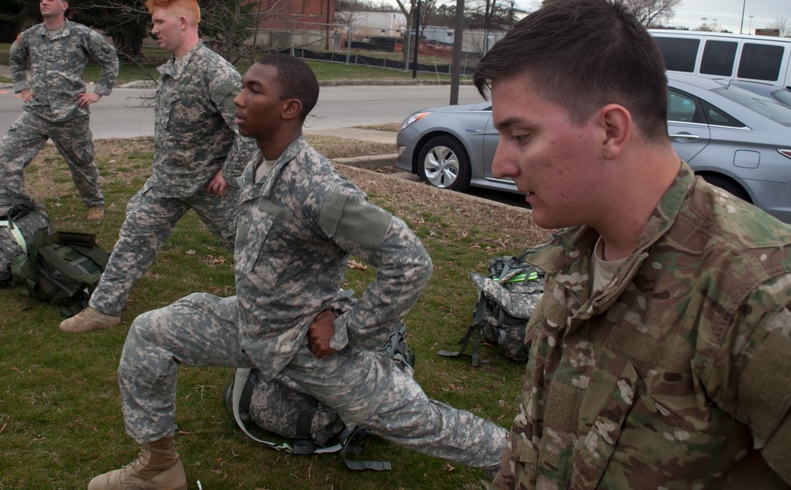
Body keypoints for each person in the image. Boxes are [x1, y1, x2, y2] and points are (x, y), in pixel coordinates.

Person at [85, 54, 508, 489]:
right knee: (151, 334)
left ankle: (519, 463)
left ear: (289, 108)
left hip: (306, 347)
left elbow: (410, 261)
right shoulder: (259, 162)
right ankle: (158, 469)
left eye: (254, 90)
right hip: (250, 326)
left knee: (416, 421)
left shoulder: (319, 189)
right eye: (241, 86)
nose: (239, 98)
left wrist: (349, 330)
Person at [471, 0, 791, 489]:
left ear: (610, 130)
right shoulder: (575, 259)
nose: (500, 166)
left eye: (520, 135)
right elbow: (530, 445)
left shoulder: (772, 296)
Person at [60, 0, 254, 333]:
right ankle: (104, 309)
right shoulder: (174, 67)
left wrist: (230, 172)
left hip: (210, 186)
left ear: (182, 22)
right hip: (167, 182)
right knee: (134, 235)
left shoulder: (216, 72)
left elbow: (248, 129)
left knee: (250, 245)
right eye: (153, 23)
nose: (153, 30)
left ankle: (272, 310)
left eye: (159, 22)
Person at [0, 0, 119, 221]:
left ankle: (94, 203)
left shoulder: (82, 34)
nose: (44, 2)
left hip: (71, 113)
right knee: (8, 157)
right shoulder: (30, 36)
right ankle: (15, 207)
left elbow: (110, 58)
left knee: (82, 163)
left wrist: (99, 92)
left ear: (64, 5)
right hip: (38, 113)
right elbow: (16, 59)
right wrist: (22, 88)